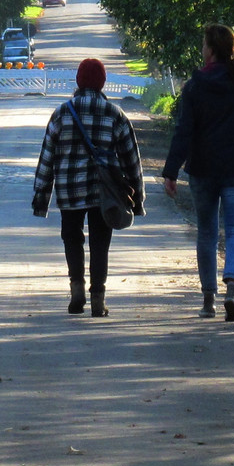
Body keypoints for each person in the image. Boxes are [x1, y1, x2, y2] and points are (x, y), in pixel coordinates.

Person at [162, 24, 234, 322]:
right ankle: (232, 290)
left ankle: (207, 300)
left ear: (211, 49)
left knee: (207, 233)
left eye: (204, 45)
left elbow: (184, 131)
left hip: (203, 170)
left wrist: (171, 171)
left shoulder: (194, 86)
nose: (202, 50)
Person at [32, 58, 145, 317]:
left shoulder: (62, 113)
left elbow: (47, 157)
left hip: (69, 190)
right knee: (100, 242)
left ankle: (76, 292)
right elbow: (131, 159)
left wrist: (41, 196)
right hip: (103, 192)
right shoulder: (115, 114)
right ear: (103, 82)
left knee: (71, 239)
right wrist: (137, 198)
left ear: (78, 81)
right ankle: (97, 299)